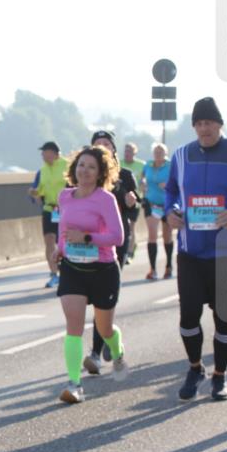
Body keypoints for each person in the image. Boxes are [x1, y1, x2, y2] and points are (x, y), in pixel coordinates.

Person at [165, 98, 227, 401]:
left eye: (208, 122)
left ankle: (220, 376)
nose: (203, 128)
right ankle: (195, 368)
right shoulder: (181, 155)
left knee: (224, 319)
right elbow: (172, 191)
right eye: (198, 123)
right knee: (188, 317)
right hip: (191, 251)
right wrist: (171, 211)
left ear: (219, 124)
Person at [54, 146, 128, 404]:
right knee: (73, 327)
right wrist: (59, 249)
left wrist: (86, 237)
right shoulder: (65, 196)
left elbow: (117, 237)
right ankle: (74, 384)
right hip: (73, 268)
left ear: (100, 173)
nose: (84, 170)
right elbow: (63, 229)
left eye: (91, 167)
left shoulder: (105, 199)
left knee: (104, 328)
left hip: (103, 269)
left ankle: (117, 349)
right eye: (81, 165)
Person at [83, 130, 139, 375]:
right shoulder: (84, 173)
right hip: (87, 239)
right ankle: (109, 334)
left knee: (102, 295)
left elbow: (134, 208)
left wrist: (130, 202)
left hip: (115, 240)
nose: (102, 146)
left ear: (113, 149)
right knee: (89, 295)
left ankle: (95, 353)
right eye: (98, 143)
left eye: (107, 143)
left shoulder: (124, 175)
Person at [29, 142, 68, 288]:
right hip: (49, 209)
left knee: (64, 241)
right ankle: (54, 273)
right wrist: (34, 193)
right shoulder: (42, 171)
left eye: (45, 152)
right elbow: (38, 189)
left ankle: (67, 271)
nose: (42, 155)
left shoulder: (67, 166)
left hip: (65, 209)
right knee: (49, 240)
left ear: (54, 153)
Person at [142, 142, 174, 280]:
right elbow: (142, 178)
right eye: (156, 151)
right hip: (151, 203)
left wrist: (169, 185)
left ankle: (168, 266)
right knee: (152, 235)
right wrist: (142, 184)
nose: (158, 154)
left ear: (165, 153)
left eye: (161, 152)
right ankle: (153, 269)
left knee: (167, 236)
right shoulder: (148, 165)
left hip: (167, 204)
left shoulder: (170, 165)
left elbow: (179, 181)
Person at [121, 143, 146, 260]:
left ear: (134, 153)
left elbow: (144, 181)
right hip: (121, 199)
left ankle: (129, 252)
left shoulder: (141, 165)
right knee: (122, 225)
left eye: (130, 151)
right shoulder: (119, 163)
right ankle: (126, 248)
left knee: (131, 225)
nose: (127, 153)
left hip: (135, 199)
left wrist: (143, 188)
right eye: (126, 151)